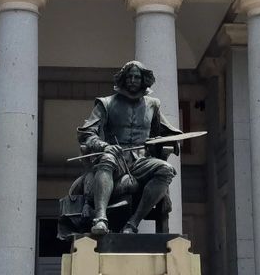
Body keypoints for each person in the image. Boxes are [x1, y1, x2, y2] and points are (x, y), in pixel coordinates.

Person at [76, 60, 182, 235]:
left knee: (166, 170)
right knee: (107, 160)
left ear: (143, 80)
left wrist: (173, 140)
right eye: (130, 76)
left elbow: (165, 131)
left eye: (137, 77)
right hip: (116, 157)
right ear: (123, 79)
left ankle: (133, 223)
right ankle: (101, 219)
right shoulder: (106, 103)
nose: (133, 80)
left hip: (142, 161)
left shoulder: (153, 105)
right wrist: (104, 146)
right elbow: (86, 133)